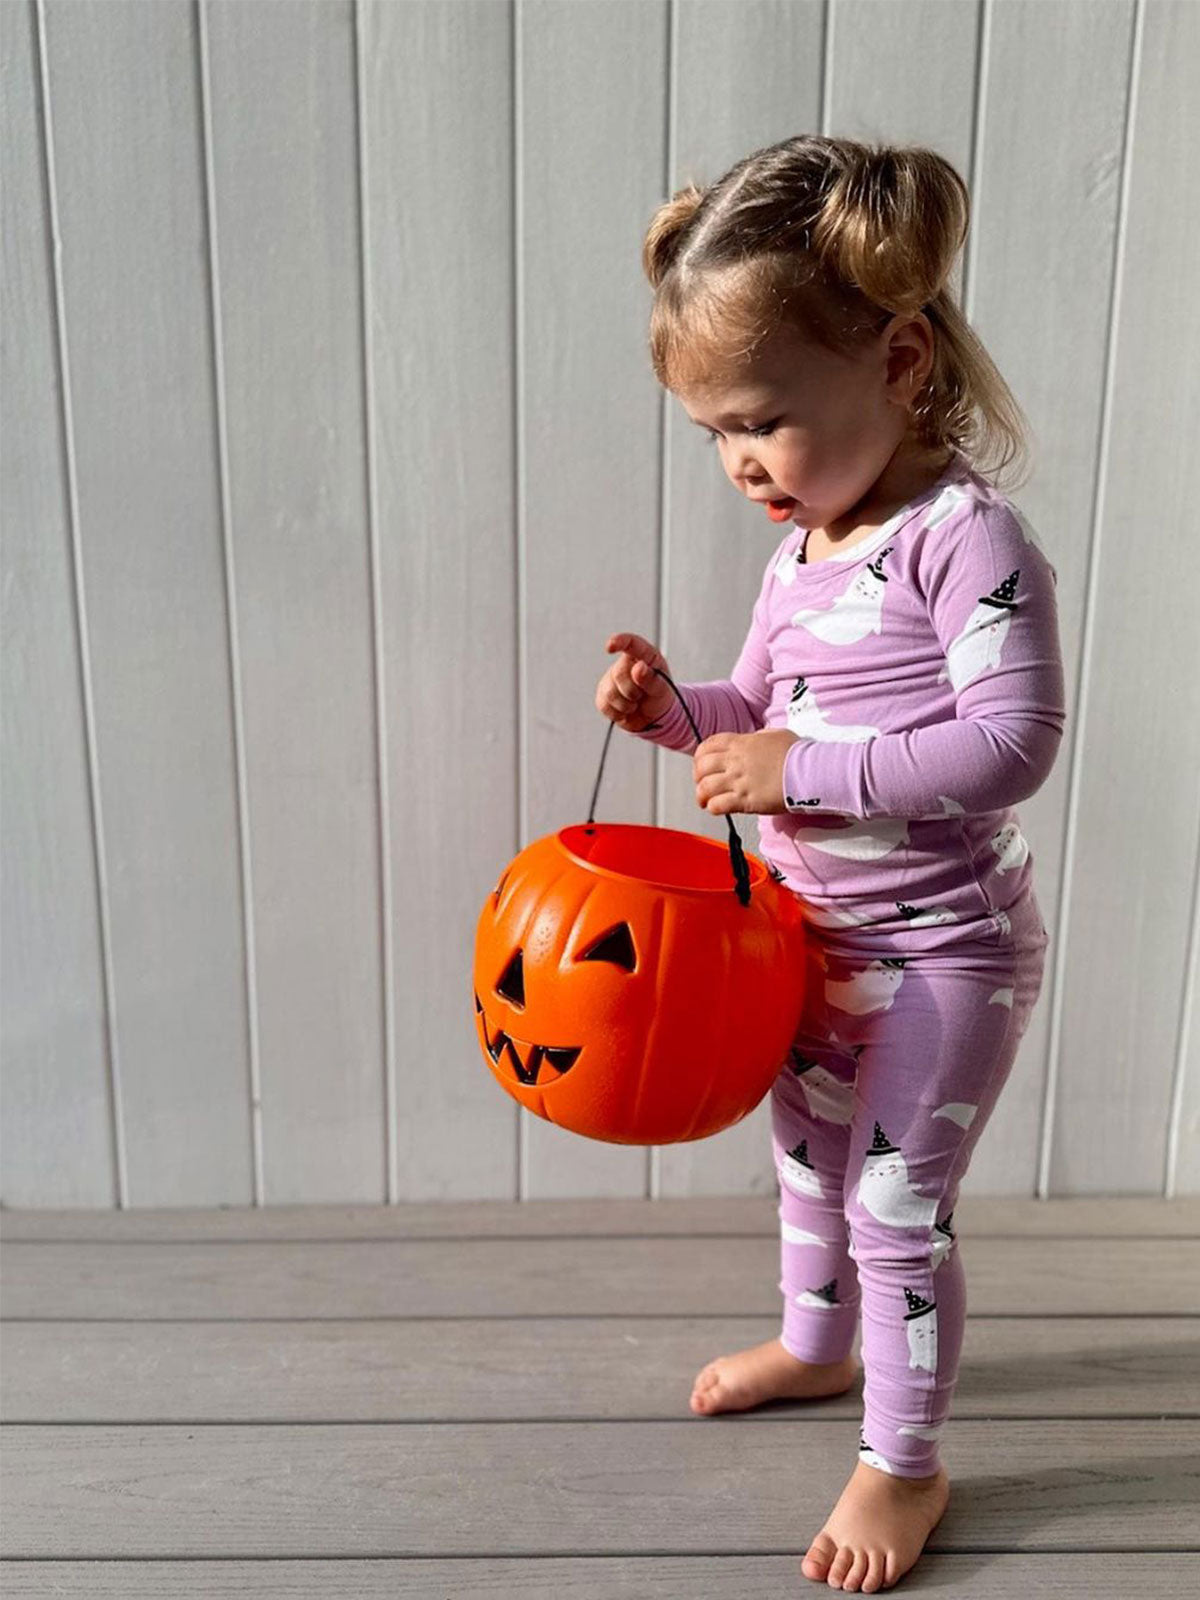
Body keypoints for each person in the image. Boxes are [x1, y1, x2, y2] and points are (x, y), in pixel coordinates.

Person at [594, 135, 1066, 1595]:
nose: (742, 462)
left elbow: (1011, 739)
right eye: (715, 434)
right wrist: (677, 711)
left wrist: (805, 772)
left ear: (903, 363)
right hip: (810, 945)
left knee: (895, 1208)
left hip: (942, 957)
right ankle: (817, 1345)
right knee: (806, 1165)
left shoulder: (963, 544)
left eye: (765, 421)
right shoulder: (799, 549)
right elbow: (752, 711)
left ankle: (906, 1467)